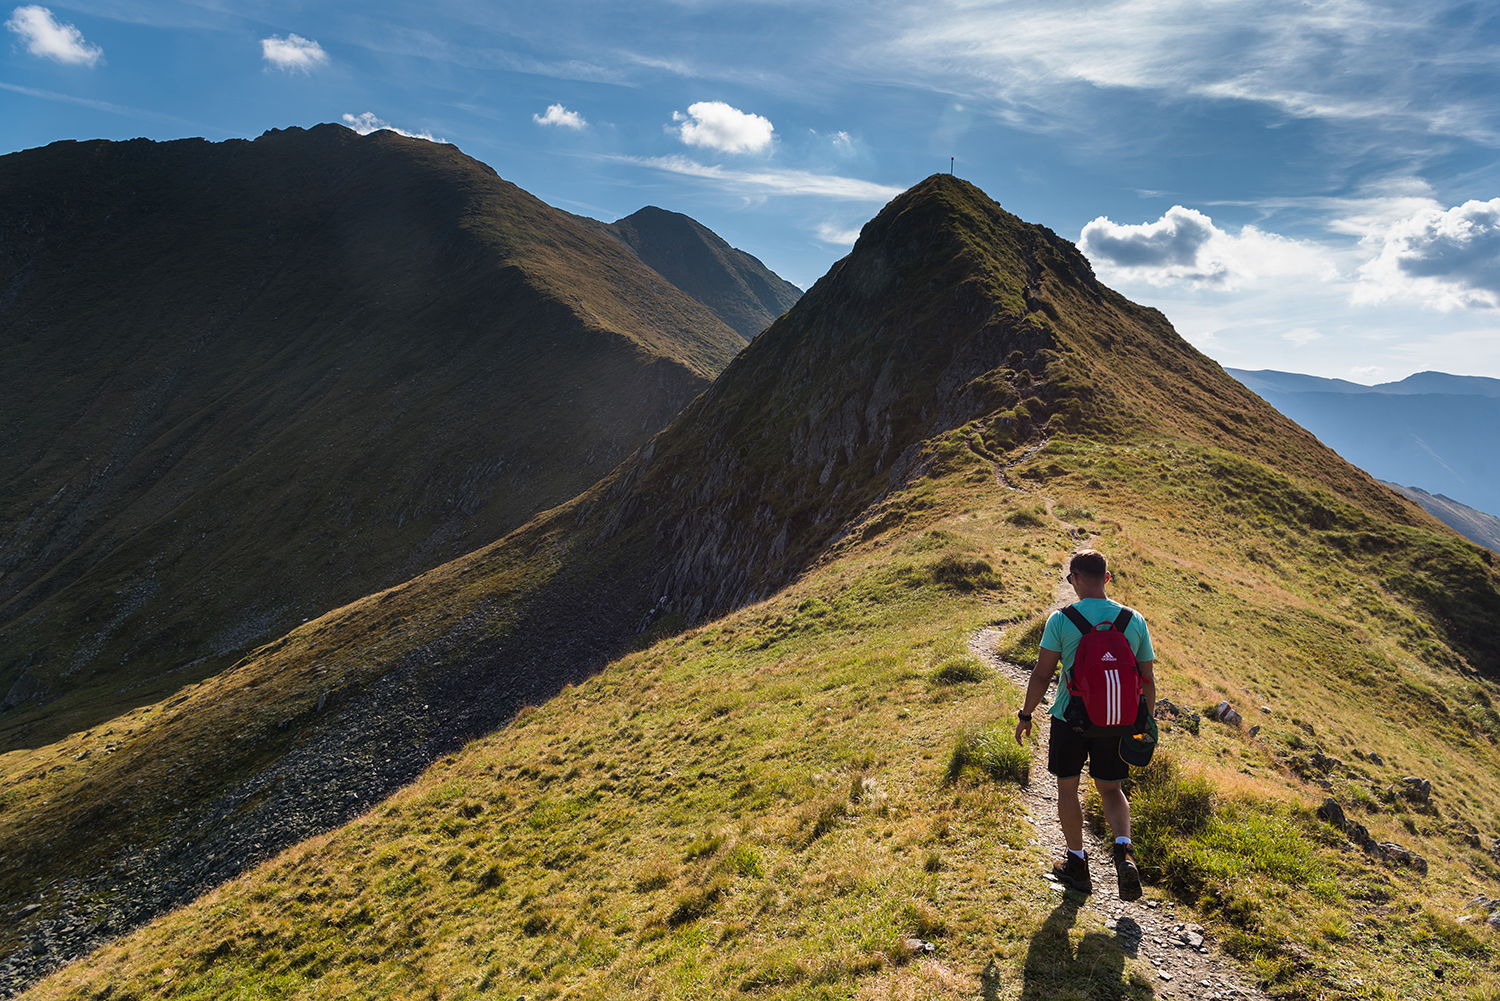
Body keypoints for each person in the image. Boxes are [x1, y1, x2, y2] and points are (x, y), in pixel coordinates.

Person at [1013, 549, 1156, 900]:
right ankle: (1124, 851)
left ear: (1074, 578)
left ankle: (1077, 864)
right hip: (1119, 721)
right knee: (1112, 789)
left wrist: (1026, 714)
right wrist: (1144, 724)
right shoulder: (1133, 620)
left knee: (1067, 789)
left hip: (1070, 719)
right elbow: (1147, 679)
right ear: (1106, 578)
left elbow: (1043, 674)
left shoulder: (1062, 620)